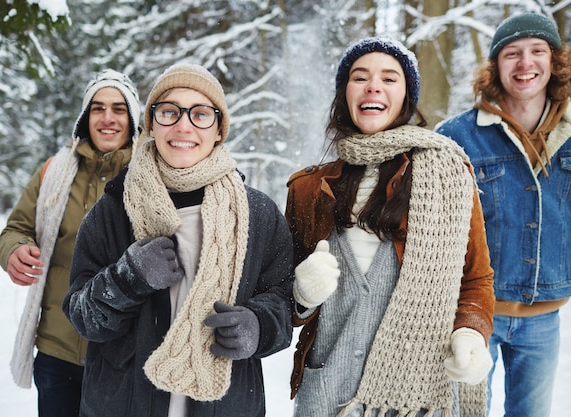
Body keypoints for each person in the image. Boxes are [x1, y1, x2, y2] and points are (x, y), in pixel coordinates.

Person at [62, 63, 294, 417]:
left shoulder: (258, 213)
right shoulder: (112, 208)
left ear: (219, 130)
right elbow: (82, 316)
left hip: (226, 405)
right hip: (124, 404)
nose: (183, 125)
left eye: (201, 114)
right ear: (152, 124)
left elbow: (282, 298)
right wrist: (128, 278)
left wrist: (259, 327)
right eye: (169, 111)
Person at [286, 36, 495, 417]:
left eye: (389, 78)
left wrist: (470, 332)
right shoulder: (307, 188)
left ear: (406, 98)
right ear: (344, 93)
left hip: (414, 398)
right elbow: (281, 302)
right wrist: (301, 293)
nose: (373, 86)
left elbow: (476, 279)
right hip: (326, 393)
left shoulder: (448, 176)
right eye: (359, 77)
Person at [436, 13, 571, 417]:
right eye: (512, 53)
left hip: (545, 317)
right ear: (495, 66)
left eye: (537, 51)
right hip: (475, 315)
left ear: (554, 61)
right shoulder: (457, 135)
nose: (525, 63)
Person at [0, 69, 141, 416]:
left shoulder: (150, 177)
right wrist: (14, 250)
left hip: (122, 354)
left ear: (134, 119)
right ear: (84, 116)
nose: (108, 118)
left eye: (119, 109)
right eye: (98, 108)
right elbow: (15, 228)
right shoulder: (54, 171)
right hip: (55, 352)